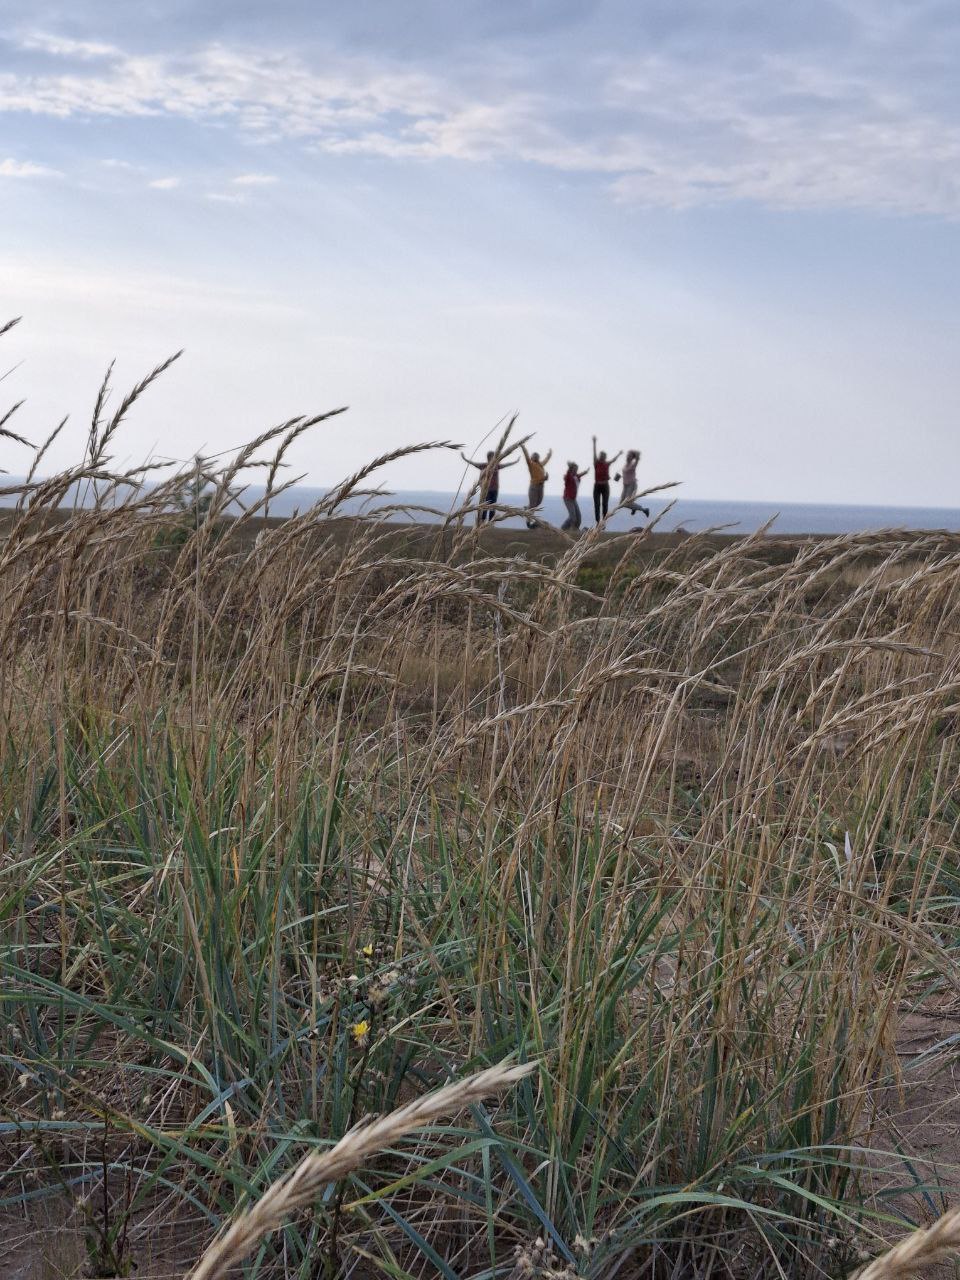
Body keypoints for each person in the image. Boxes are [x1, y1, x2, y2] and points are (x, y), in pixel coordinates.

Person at [461, 449, 518, 524]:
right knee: (484, 505)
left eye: (494, 457)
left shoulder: (497, 466)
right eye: (492, 457)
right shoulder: (483, 466)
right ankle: (482, 521)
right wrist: (464, 458)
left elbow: (507, 465)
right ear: (488, 458)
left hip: (495, 489)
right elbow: (472, 463)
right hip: (486, 489)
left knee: (493, 506)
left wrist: (515, 461)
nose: (493, 458)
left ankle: (491, 522)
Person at [592, 436, 622, 525]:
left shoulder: (607, 464)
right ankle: (598, 522)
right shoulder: (596, 463)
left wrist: (619, 454)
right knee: (597, 504)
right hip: (597, 486)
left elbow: (613, 460)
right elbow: (594, 453)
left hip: (605, 486)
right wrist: (594, 443)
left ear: (605, 457)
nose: (602, 457)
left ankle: (603, 522)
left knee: (605, 504)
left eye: (603, 456)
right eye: (601, 455)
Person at [521, 443, 552, 528]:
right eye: (534, 456)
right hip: (534, 487)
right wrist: (523, 448)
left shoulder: (540, 464)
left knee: (538, 503)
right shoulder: (531, 464)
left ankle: (527, 508)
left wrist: (549, 454)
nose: (536, 456)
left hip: (541, 487)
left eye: (537, 455)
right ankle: (528, 522)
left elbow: (546, 460)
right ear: (532, 457)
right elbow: (526, 456)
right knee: (533, 506)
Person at [617, 449, 649, 518]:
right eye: (627, 455)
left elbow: (638, 454)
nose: (627, 457)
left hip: (631, 485)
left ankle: (644, 509)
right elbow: (626, 474)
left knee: (627, 503)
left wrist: (634, 453)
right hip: (625, 485)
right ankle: (633, 507)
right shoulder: (625, 465)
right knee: (621, 504)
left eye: (629, 456)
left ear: (632, 458)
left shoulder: (633, 464)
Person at [561, 461, 590, 530]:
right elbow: (568, 475)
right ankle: (563, 529)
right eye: (574, 469)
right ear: (571, 469)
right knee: (572, 517)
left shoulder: (575, 476)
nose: (576, 470)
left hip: (573, 499)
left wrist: (585, 472)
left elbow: (579, 475)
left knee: (578, 517)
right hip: (568, 498)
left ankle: (575, 529)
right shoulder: (568, 476)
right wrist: (569, 467)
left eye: (576, 469)